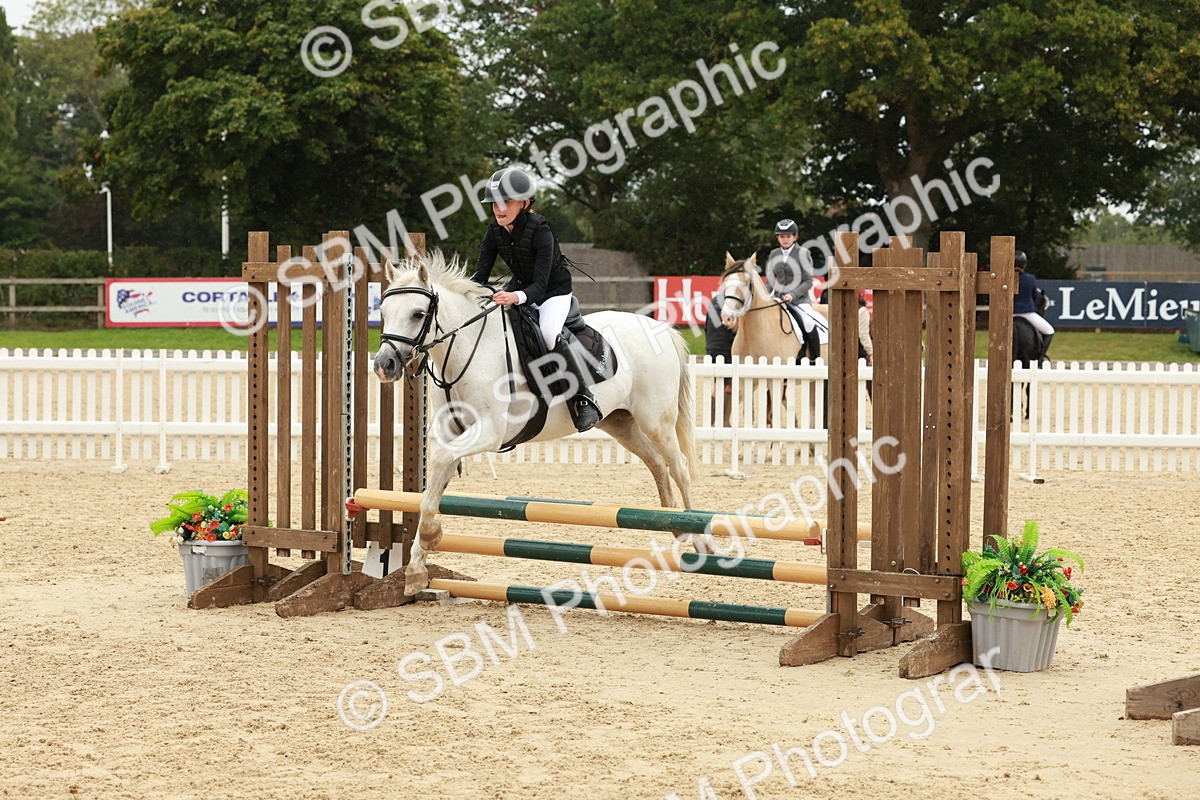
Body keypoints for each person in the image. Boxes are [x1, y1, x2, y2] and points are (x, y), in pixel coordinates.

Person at [471, 167, 601, 432]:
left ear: (525, 203)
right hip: (520, 288)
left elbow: (540, 285)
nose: (498, 209)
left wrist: (514, 296)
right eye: (495, 203)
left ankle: (584, 399)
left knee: (549, 332)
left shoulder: (540, 229)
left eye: (506, 202)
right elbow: (479, 277)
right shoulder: (493, 233)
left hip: (553, 292)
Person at [765, 218, 820, 360]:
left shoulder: (803, 253)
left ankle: (815, 357)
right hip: (778, 299)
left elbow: (808, 281)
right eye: (782, 236)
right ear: (777, 237)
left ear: (795, 237)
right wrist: (764, 296)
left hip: (799, 300)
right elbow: (771, 281)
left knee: (808, 321)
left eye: (788, 236)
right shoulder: (774, 254)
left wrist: (792, 295)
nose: (785, 239)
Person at [1013, 250, 1054, 356]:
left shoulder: (1005, 277)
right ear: (1024, 264)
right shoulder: (1029, 278)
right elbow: (1034, 297)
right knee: (1049, 331)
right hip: (1027, 313)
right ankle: (1040, 356)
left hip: (1008, 314)